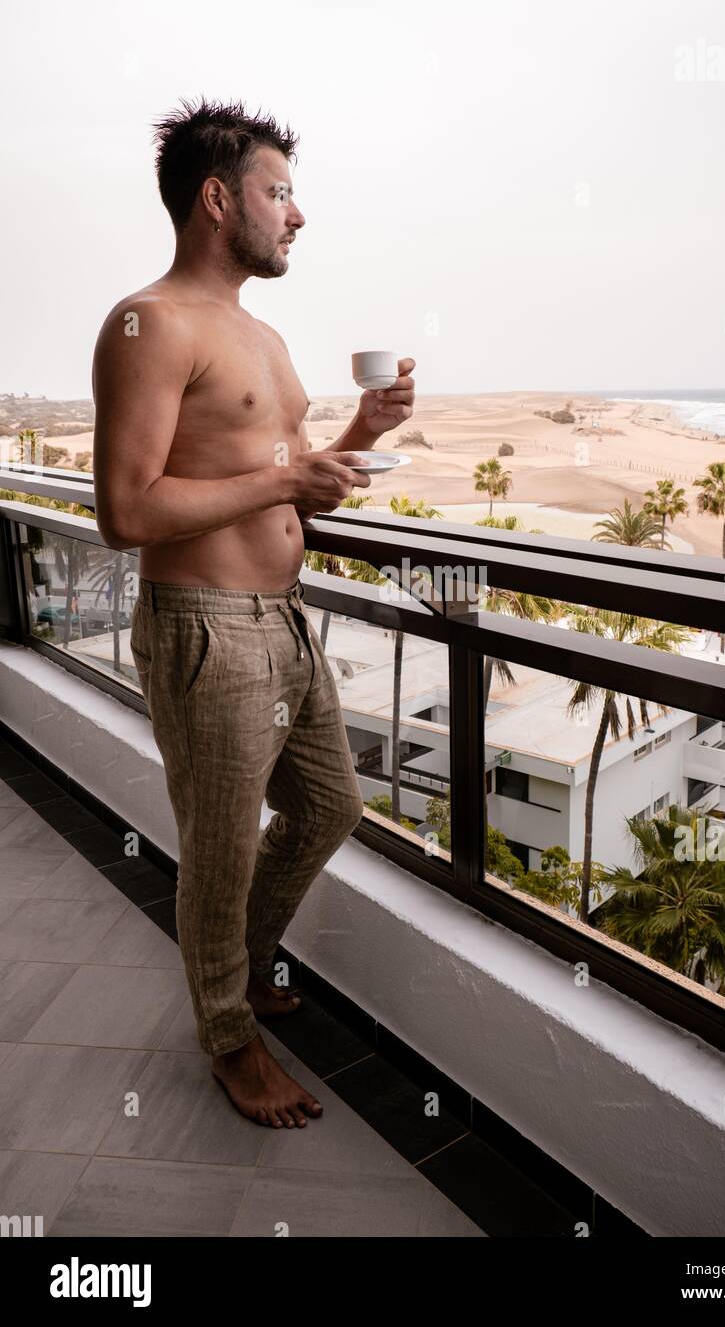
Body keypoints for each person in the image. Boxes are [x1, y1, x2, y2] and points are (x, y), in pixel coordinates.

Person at [91, 97, 415, 1129]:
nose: (297, 215)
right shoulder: (148, 324)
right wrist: (285, 488)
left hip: (283, 618)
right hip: (203, 624)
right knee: (221, 848)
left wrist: (367, 425)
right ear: (218, 198)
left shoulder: (262, 335)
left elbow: (280, 465)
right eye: (280, 192)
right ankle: (229, 1036)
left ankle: (237, 965)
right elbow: (126, 510)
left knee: (329, 807)